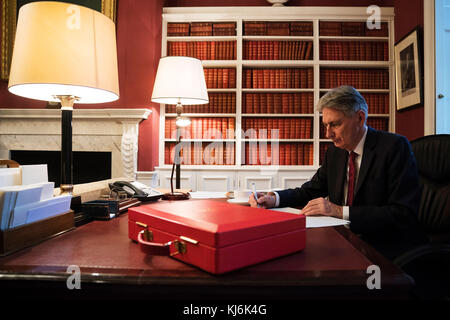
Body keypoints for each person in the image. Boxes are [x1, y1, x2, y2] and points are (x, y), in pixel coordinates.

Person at [249, 85, 425, 259]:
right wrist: (274, 199)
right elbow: (311, 190)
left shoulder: (394, 147)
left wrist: (340, 211)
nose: (328, 134)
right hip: (342, 239)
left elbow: (403, 214)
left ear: (360, 118)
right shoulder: (336, 151)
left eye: (335, 124)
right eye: (325, 125)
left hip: (383, 246)